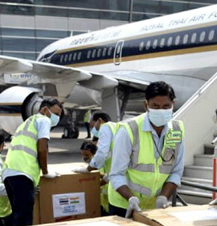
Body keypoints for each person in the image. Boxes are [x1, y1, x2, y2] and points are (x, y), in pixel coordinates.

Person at [107, 81, 185, 217]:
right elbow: (116, 174)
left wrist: (163, 198)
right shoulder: (129, 130)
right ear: (146, 105)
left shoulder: (177, 130)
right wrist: (131, 198)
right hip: (124, 205)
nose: (161, 110)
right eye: (155, 106)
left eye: (166, 106)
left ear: (173, 104)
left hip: (155, 206)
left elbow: (176, 171)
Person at [3, 98, 62, 226]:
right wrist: (46, 172)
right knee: (24, 221)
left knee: (18, 216)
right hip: (22, 172)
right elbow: (42, 148)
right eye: (56, 114)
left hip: (10, 172)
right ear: (45, 109)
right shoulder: (44, 120)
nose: (57, 118)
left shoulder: (27, 122)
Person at [75, 112, 118, 214]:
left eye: (94, 126)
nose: (94, 131)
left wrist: (88, 169)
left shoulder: (105, 127)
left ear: (99, 121)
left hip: (114, 188)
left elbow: (102, 153)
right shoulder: (116, 129)